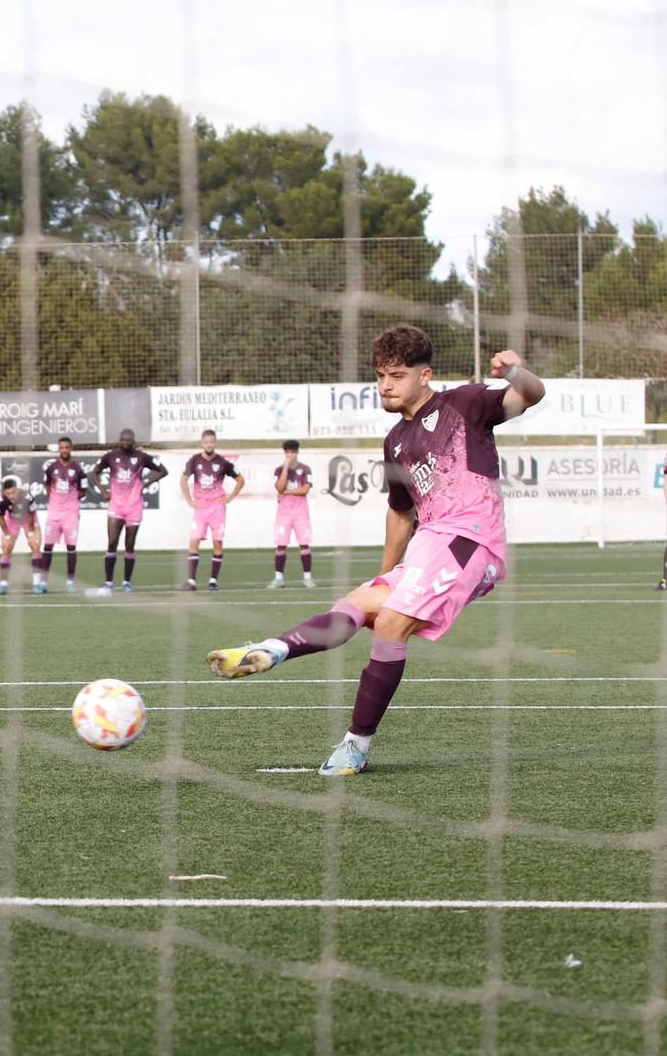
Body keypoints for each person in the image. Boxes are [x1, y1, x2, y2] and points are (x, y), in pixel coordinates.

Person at [206, 326, 544, 776]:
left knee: (390, 623)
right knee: (359, 604)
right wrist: (385, 577)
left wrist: (516, 370)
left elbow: (531, 394)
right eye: (381, 375)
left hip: (472, 540)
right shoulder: (395, 442)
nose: (386, 384)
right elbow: (401, 514)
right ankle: (271, 650)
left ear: (426, 375)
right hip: (429, 546)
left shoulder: (465, 403)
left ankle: (356, 746)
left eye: (397, 375)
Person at [89, 429, 168, 595]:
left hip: (134, 506)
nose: (125, 442)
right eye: (123, 439)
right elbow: (93, 473)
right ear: (119, 440)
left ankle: (126, 582)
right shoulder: (110, 456)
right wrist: (103, 490)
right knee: (112, 543)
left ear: (133, 441)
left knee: (130, 544)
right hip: (116, 505)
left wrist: (145, 483)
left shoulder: (141, 457)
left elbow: (163, 471)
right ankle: (109, 582)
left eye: (129, 440)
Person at [180, 429, 243, 592]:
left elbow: (240, 480)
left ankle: (213, 581)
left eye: (211, 442)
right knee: (194, 541)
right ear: (202, 443)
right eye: (206, 442)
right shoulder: (194, 460)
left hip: (217, 508)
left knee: (217, 543)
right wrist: (189, 500)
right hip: (201, 507)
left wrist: (230, 497)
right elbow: (184, 480)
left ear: (215, 443)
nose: (209, 444)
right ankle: (191, 581)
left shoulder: (222, 462)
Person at [34, 437, 88, 593]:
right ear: (59, 449)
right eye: (62, 447)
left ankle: (70, 582)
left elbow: (83, 491)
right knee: (47, 546)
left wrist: (70, 501)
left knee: (71, 547)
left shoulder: (78, 469)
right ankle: (43, 583)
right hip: (54, 513)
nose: (64, 450)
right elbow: (47, 485)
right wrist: (55, 500)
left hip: (70, 513)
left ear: (71, 449)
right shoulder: (51, 468)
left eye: (67, 447)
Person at [272, 439, 314, 588]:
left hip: (301, 512)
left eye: (293, 452)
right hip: (284, 512)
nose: (290, 455)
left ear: (297, 452)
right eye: (287, 452)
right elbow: (279, 487)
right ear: (284, 453)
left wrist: (286, 492)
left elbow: (305, 489)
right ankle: (279, 578)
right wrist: (285, 468)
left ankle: (307, 577)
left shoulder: (305, 469)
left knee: (304, 544)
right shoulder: (279, 470)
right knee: (281, 545)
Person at [0, 478, 41, 595]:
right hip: (12, 520)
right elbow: (1, 518)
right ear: (4, 493)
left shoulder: (27, 497)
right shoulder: (1, 501)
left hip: (28, 519)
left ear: (17, 490)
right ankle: (3, 585)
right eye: (8, 493)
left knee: (35, 545)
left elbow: (32, 514)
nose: (11, 496)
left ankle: (37, 584)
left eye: (13, 492)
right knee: (6, 547)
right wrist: (7, 533)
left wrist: (30, 530)